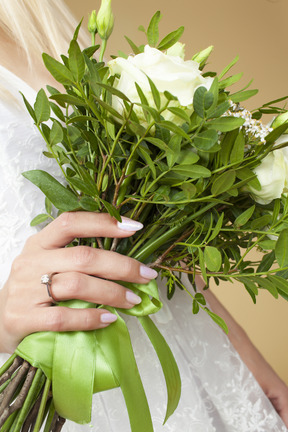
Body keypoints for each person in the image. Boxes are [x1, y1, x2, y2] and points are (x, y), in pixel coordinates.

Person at [0, 1, 287, 430]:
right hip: (53, 379)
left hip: (183, 356)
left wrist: (245, 359)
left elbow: (144, 244)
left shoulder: (43, 34)